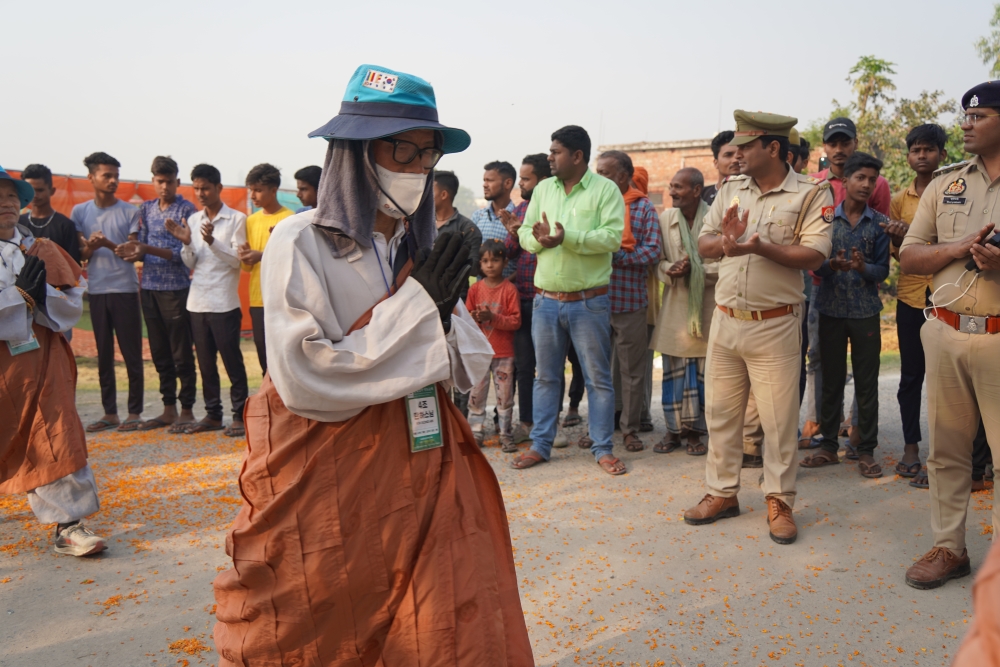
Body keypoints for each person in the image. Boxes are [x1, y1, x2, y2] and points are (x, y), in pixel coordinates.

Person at [211, 64, 532, 665]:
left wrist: (435, 312)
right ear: (354, 153)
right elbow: (303, 374)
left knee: (438, 606)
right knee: (322, 601)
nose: (415, 168)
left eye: (426, 154)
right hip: (330, 466)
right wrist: (417, 308)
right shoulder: (300, 240)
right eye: (401, 150)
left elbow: (464, 365)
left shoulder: (414, 245)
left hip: (418, 451)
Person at [683, 111, 833, 545]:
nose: (736, 155)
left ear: (772, 148)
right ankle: (721, 492)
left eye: (745, 147)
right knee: (722, 414)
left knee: (778, 419)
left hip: (775, 323)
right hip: (727, 320)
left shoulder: (810, 192)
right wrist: (728, 244)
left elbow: (814, 255)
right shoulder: (731, 189)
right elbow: (705, 244)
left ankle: (779, 500)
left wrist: (761, 246)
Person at [898, 81, 1000, 590]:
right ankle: (949, 548)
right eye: (965, 116)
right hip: (946, 330)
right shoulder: (944, 184)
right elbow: (911, 255)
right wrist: (959, 247)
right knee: (947, 452)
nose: (966, 124)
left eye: (978, 116)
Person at [0, 165, 106, 557]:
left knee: (56, 429)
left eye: (11, 195)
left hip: (41, 360)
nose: (5, 203)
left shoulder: (39, 248)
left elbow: (71, 301)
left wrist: (40, 297)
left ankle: (68, 524)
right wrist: (18, 299)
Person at [509, 125, 626, 476]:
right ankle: (541, 445)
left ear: (577, 156)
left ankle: (603, 448)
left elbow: (611, 239)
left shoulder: (606, 191)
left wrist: (565, 238)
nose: (550, 157)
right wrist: (540, 242)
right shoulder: (543, 189)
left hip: (588, 302)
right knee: (546, 377)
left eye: (556, 151)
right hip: (546, 302)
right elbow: (527, 233)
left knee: (597, 379)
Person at [800, 152, 890, 478]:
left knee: (867, 382)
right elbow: (813, 262)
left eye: (872, 179)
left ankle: (865, 450)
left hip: (866, 312)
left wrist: (864, 267)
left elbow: (883, 271)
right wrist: (831, 266)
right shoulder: (824, 219)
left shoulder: (879, 224)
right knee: (831, 378)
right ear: (846, 181)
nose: (866, 185)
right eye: (860, 178)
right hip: (830, 310)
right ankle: (827, 446)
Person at [884, 124, 947, 483]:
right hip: (910, 295)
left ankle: (943, 455)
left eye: (928, 150)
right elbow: (899, 256)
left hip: (947, 295)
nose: (921, 156)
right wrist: (899, 240)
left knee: (946, 379)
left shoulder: (955, 191)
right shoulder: (898, 200)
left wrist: (919, 237)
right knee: (911, 376)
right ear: (908, 156)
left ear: (942, 154)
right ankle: (911, 447)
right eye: (915, 150)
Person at [166, 163, 249, 438]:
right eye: (197, 188)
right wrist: (187, 243)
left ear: (218, 188)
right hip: (197, 302)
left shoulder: (237, 219)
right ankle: (213, 414)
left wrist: (213, 241)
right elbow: (191, 262)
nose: (200, 193)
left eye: (205, 188)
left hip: (224, 302)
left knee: (232, 361)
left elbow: (237, 261)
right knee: (205, 363)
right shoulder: (192, 220)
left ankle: (239, 415)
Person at [117, 156, 199, 433]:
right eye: (159, 181)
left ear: (177, 181)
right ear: (153, 181)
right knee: (160, 353)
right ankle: (168, 410)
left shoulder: (187, 209)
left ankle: (187, 410)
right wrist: (128, 250)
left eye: (170, 181)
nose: (165, 186)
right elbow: (136, 243)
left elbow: (185, 254)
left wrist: (145, 250)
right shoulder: (146, 208)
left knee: (181, 353)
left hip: (175, 289)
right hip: (149, 288)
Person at [71, 152, 145, 432]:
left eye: (116, 175)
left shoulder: (129, 211)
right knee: (103, 355)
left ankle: (135, 412)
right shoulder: (80, 212)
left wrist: (105, 243)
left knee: (131, 353)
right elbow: (81, 252)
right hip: (97, 291)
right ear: (91, 178)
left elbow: (131, 253)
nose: (114, 180)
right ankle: (109, 413)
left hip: (125, 290)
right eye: (107, 175)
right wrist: (91, 245)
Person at [596, 150, 662, 453]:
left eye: (605, 173)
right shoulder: (594, 205)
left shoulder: (643, 208)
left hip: (630, 299)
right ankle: (599, 428)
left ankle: (630, 430)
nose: (598, 179)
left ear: (622, 176)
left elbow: (652, 252)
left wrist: (618, 254)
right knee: (597, 370)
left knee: (632, 370)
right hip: (595, 298)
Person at [652, 167, 716, 455]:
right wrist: (672, 269)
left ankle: (695, 434)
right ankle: (673, 432)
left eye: (678, 187)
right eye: (670, 186)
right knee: (673, 374)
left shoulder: (714, 217)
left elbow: (727, 263)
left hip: (708, 308)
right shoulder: (665, 218)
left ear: (696, 190)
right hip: (677, 308)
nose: (672, 192)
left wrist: (698, 270)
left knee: (703, 375)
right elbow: (659, 262)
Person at [501, 154, 548, 442]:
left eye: (526, 178)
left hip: (548, 298)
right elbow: (511, 251)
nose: (521, 184)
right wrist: (514, 231)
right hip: (523, 299)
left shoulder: (554, 207)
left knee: (549, 367)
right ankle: (528, 423)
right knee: (524, 365)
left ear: (542, 180)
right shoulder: (522, 208)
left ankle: (548, 424)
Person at [237, 163, 295, 374]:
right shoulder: (250, 221)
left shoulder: (289, 219)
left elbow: (293, 260)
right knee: (264, 359)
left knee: (284, 359)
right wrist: (246, 257)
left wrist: (261, 256)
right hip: (257, 298)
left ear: (274, 190)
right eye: (251, 190)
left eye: (258, 190)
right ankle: (269, 404)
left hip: (282, 299)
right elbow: (247, 267)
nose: (253, 195)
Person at [433, 169, 482, 416]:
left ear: (443, 194)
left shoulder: (467, 229)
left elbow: (473, 266)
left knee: (458, 365)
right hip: (423, 308)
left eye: (429, 191)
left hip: (455, 307)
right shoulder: (419, 226)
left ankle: (460, 423)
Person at [466, 239, 521, 451]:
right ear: (480, 264)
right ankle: (476, 431)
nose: (490, 265)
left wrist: (493, 317)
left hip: (504, 353)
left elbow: (516, 321)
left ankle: (506, 433)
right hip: (480, 353)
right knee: (476, 394)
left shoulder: (509, 290)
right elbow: (466, 319)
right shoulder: (475, 290)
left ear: (505, 262)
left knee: (505, 397)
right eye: (486, 261)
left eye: (495, 260)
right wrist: (476, 317)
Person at [811, 117, 891, 215]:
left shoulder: (878, 183)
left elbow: (881, 224)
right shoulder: (812, 183)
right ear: (824, 146)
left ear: (856, 143)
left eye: (845, 144)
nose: (839, 150)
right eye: (833, 144)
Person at [19, 164, 81, 265]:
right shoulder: (18, 223)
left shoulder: (65, 225)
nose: (35, 195)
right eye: (31, 190)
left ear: (52, 191)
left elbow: (73, 264)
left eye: (40, 190)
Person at [702, 131, 740, 205]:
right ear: (716, 163)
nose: (735, 160)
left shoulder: (755, 193)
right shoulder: (701, 196)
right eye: (728, 155)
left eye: (739, 155)